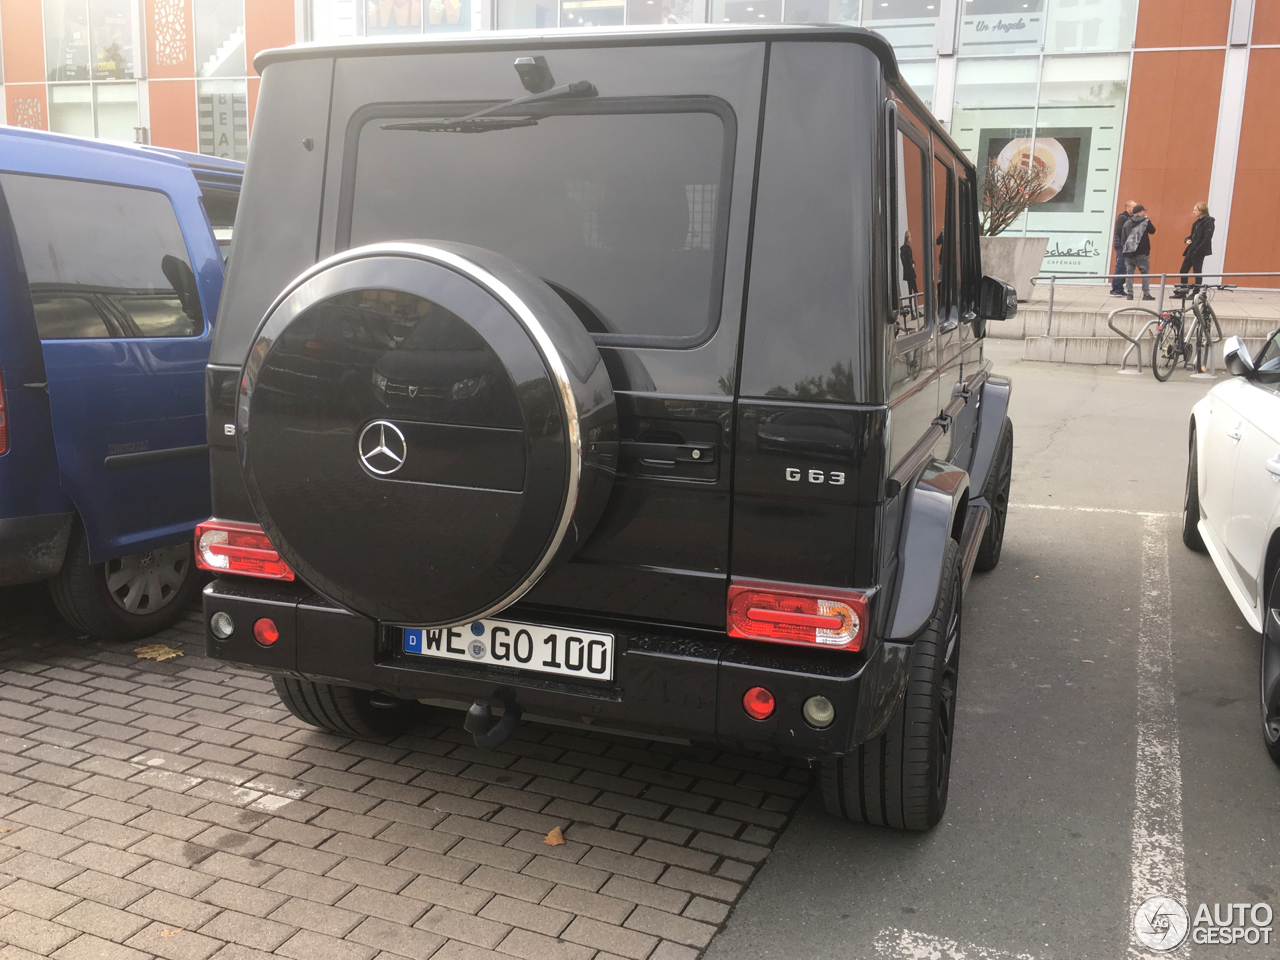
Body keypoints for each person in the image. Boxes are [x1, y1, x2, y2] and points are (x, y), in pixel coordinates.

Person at [1175, 201, 1214, 298]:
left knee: (1197, 271)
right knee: (1183, 270)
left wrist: (1197, 250)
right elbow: (1193, 236)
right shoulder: (1196, 223)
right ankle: (1183, 291)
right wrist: (1187, 240)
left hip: (1198, 251)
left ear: (1201, 211)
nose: (1193, 212)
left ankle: (1196, 292)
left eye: (1195, 210)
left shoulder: (1208, 222)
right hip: (1191, 249)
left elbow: (1207, 238)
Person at [1121, 204, 1156, 300]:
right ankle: (1146, 294)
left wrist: (1124, 251)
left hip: (1129, 253)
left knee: (1129, 274)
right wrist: (1148, 220)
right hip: (1142, 253)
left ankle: (1130, 294)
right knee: (1145, 273)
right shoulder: (1145, 222)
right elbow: (1153, 231)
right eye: (1143, 211)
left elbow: (1123, 238)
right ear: (1140, 212)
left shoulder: (1127, 223)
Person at [1111, 200, 1136, 296]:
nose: (1135, 209)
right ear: (1127, 208)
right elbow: (1118, 231)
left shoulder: (1132, 218)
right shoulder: (1123, 218)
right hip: (1122, 247)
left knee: (1126, 268)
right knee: (1121, 266)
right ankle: (1115, 289)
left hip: (1128, 247)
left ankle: (1120, 288)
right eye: (1133, 207)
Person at [900, 230, 918, 317]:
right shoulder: (904, 249)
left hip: (911, 272)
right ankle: (912, 313)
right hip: (909, 273)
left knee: (916, 291)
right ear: (907, 238)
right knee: (911, 292)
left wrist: (913, 263)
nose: (911, 239)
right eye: (910, 237)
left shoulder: (908, 248)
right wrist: (910, 269)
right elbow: (905, 262)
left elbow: (910, 259)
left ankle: (916, 311)